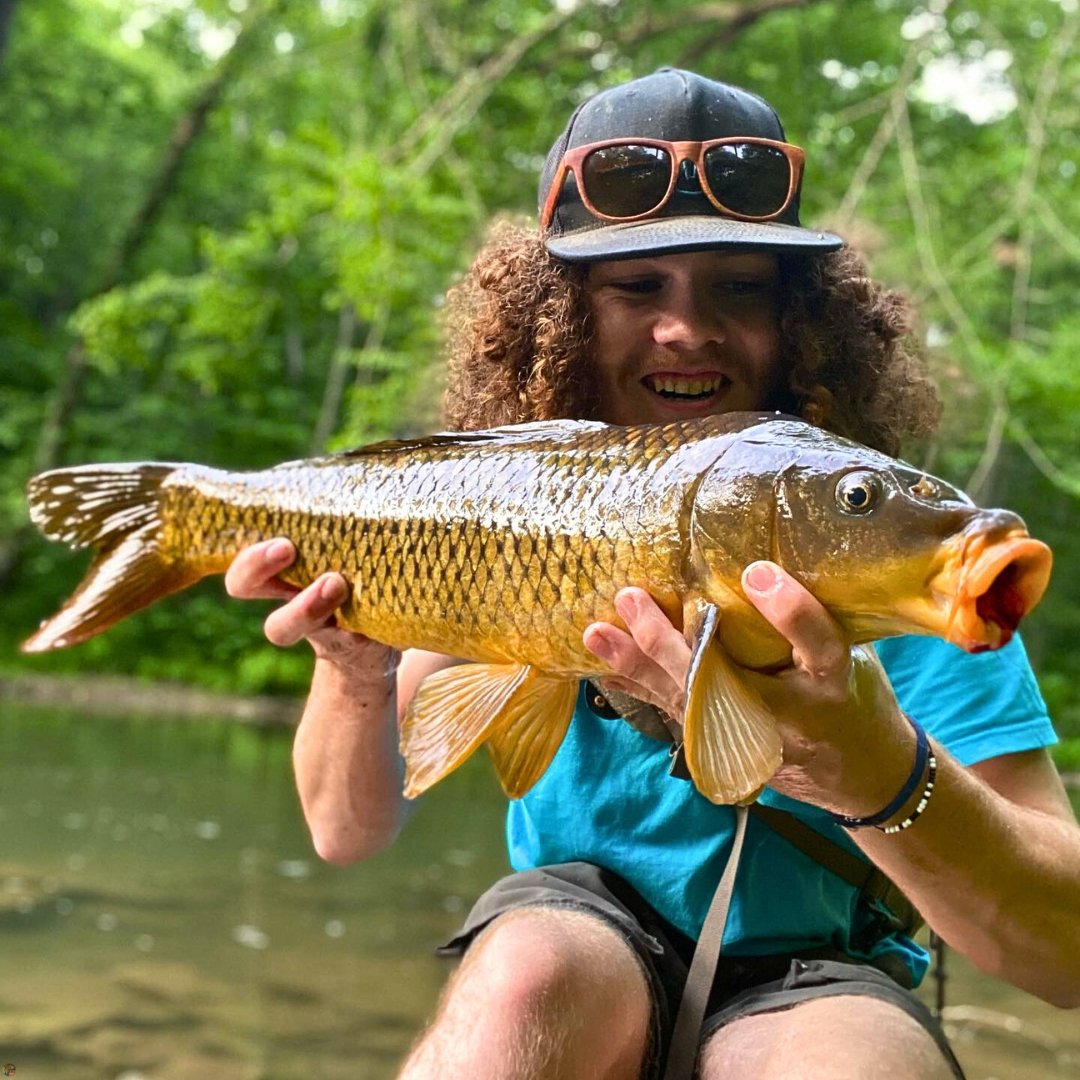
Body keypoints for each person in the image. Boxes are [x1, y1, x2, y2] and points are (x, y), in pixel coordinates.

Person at [225, 69, 1080, 1079]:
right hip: (577, 931)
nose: (689, 328)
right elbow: (346, 830)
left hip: (823, 967)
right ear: (559, 321)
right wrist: (356, 670)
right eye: (639, 287)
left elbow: (1065, 954)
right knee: (522, 978)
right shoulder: (501, 519)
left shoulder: (880, 548)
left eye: (740, 286)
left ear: (804, 322)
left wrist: (874, 767)